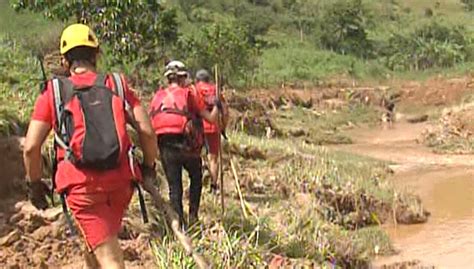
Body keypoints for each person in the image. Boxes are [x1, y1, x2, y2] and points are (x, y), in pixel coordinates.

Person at [23, 23, 157, 269]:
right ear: (96, 54)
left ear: (65, 61)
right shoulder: (117, 85)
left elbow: (31, 147)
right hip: (121, 184)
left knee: (110, 259)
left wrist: (34, 185)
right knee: (95, 242)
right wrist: (148, 168)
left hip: (82, 188)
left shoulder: (53, 93)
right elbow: (147, 132)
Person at [149, 61, 220, 227]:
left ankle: (179, 223)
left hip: (164, 144)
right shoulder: (189, 94)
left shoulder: (157, 96)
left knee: (175, 187)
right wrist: (217, 105)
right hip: (186, 144)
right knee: (196, 177)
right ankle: (193, 216)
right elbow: (210, 118)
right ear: (182, 78)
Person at [195, 69, 228, 193]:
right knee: (213, 158)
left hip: (197, 127)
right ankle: (214, 186)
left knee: (195, 154)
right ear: (208, 79)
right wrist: (223, 126)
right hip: (213, 127)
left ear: (197, 80)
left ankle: (201, 173)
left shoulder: (194, 90)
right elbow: (224, 111)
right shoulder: (216, 91)